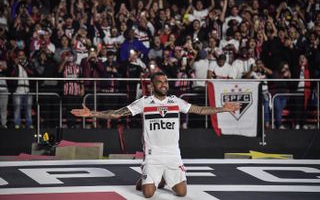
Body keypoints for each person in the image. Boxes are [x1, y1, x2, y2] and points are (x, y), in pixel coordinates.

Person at [71, 72, 240, 198]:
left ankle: (161, 177)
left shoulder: (176, 101)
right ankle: (147, 175)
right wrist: (92, 113)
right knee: (148, 194)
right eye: (159, 82)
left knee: (181, 193)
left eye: (165, 81)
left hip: (173, 153)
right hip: (153, 154)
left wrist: (223, 109)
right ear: (152, 85)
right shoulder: (144, 102)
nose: (164, 84)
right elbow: (117, 114)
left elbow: (200, 109)